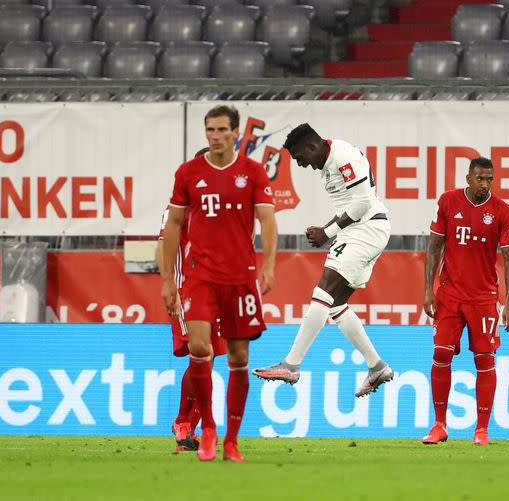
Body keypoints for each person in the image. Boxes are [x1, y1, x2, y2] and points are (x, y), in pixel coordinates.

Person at [161, 105, 277, 462]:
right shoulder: (188, 177)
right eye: (210, 130)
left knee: (235, 357)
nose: (215, 136)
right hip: (198, 280)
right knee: (199, 350)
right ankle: (201, 426)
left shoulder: (252, 173)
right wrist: (170, 283)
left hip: (240, 279)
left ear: (235, 132)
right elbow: (172, 231)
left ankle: (230, 440)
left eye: (222, 130)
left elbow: (268, 220)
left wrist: (269, 264)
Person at [253, 123, 393, 398]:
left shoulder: (343, 156)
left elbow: (363, 203)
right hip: (361, 229)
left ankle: (291, 365)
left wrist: (327, 232)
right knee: (335, 304)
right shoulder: (330, 162)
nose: (300, 164)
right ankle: (377, 367)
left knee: (322, 293)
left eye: (299, 158)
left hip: (367, 228)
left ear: (312, 146)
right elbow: (349, 206)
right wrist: (327, 230)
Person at [421, 157, 509, 446]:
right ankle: (439, 425)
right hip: (450, 296)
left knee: (485, 359)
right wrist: (429, 289)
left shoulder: (503, 211)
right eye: (480, 178)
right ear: (468, 178)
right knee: (440, 355)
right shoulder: (448, 202)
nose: (485, 184)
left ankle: (482, 429)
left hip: (484, 298)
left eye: (490, 179)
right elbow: (434, 247)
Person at [156, 147, 227, 452]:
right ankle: (184, 421)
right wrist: (168, 283)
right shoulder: (178, 206)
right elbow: (163, 247)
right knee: (203, 353)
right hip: (189, 290)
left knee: (208, 361)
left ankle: (188, 429)